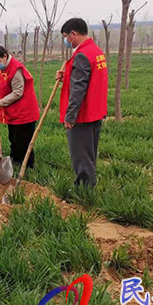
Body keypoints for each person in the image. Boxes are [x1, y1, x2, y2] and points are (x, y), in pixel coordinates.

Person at [56, 18, 108, 187]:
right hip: (96, 111)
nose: (66, 41)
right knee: (89, 153)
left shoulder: (82, 55)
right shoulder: (96, 51)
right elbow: (87, 78)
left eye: (66, 36)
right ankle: (89, 184)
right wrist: (66, 76)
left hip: (82, 114)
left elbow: (79, 89)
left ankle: (84, 190)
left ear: (73, 34)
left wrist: (70, 116)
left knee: (81, 155)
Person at [0, 43, 40, 172]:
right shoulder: (6, 67)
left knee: (24, 142)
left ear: (5, 56)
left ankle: (28, 167)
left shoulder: (15, 68)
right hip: (15, 112)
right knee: (14, 139)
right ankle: (15, 162)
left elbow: (18, 91)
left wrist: (0, 103)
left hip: (24, 113)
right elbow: (5, 77)